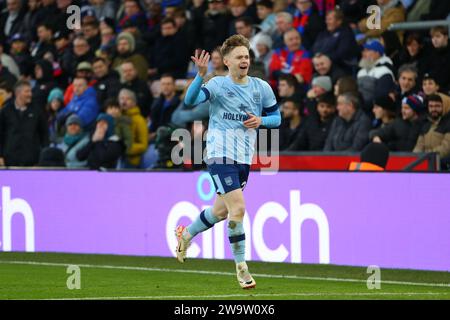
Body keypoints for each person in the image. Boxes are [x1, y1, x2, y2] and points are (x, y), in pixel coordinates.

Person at [176, 35, 281, 289]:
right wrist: (200, 75)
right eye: (239, 57)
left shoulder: (261, 87)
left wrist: (261, 122)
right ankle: (242, 268)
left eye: (246, 56)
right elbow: (190, 101)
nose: (244, 60)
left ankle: (186, 233)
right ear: (227, 61)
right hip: (219, 154)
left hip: (244, 157)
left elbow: (276, 118)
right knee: (239, 209)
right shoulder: (218, 85)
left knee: (222, 211)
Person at [0, 80, 49, 167]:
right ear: (18, 93)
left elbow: (44, 135)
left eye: (30, 91)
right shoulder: (5, 110)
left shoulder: (37, 110)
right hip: (10, 160)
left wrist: (42, 159)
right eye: (27, 91)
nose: (30, 94)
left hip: (32, 162)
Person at [413, 94, 450, 159]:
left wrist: (425, 156)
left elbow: (445, 149)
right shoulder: (425, 124)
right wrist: (414, 158)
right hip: (425, 162)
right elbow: (419, 146)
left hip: (442, 165)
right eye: (431, 106)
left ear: (445, 106)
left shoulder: (448, 124)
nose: (433, 109)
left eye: (437, 106)